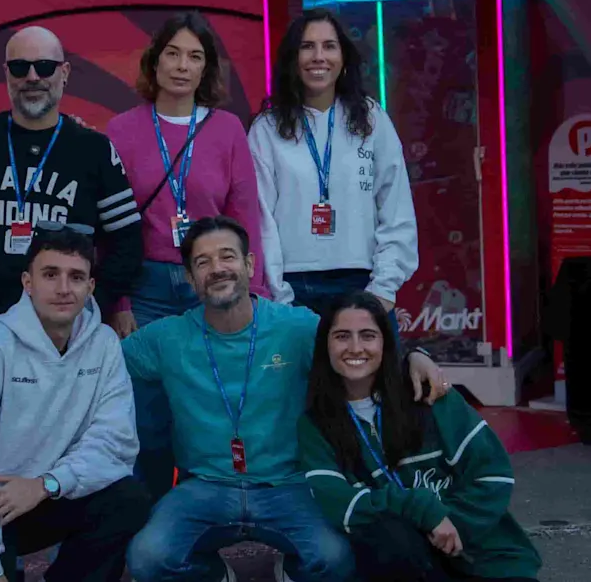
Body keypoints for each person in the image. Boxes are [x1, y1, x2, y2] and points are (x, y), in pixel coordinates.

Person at [122, 216, 449, 582]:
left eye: (227, 257)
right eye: (203, 262)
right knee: (147, 558)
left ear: (249, 265)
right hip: (204, 487)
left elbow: (356, 350)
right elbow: (101, 362)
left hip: (290, 484)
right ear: (189, 278)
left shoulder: (295, 326)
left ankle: (291, 569)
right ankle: (214, 574)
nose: (217, 269)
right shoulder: (167, 338)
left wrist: (414, 356)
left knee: (335, 559)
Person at [0, 229, 151, 582]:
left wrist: (47, 484)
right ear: (27, 282)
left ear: (91, 287)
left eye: (76, 276)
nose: (64, 288)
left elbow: (116, 443)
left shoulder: (104, 345)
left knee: (127, 498)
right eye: (50, 275)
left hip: (34, 496)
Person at [105, 11, 267, 501]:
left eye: (194, 56)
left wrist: (251, 296)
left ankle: (206, 534)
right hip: (146, 290)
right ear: (154, 63)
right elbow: (107, 226)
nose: (182, 65)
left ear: (206, 69)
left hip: (213, 285)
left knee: (209, 418)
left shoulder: (228, 129)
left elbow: (245, 216)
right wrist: (119, 303)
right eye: (172, 53)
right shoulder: (121, 129)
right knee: (147, 424)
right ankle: (149, 536)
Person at [299, 292, 541, 581]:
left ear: (386, 342)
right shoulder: (316, 423)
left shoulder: (428, 394)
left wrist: (451, 524)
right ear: (325, 345)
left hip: (479, 550)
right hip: (402, 558)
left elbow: (493, 475)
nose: (355, 348)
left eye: (367, 336)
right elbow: (341, 505)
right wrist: (421, 508)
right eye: (341, 336)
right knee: (389, 538)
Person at [0, 26, 143, 337]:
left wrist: (90, 305)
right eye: (19, 67)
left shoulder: (92, 148)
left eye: (44, 67)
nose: (32, 77)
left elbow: (128, 241)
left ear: (64, 72)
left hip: (64, 330)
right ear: (6, 73)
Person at [248, 8, 418, 326]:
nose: (318, 56)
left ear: (342, 57)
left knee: (379, 377)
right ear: (292, 58)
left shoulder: (371, 119)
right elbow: (261, 221)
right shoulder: (266, 128)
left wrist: (383, 290)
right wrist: (280, 297)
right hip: (293, 288)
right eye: (307, 46)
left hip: (363, 283)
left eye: (328, 46)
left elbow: (396, 209)